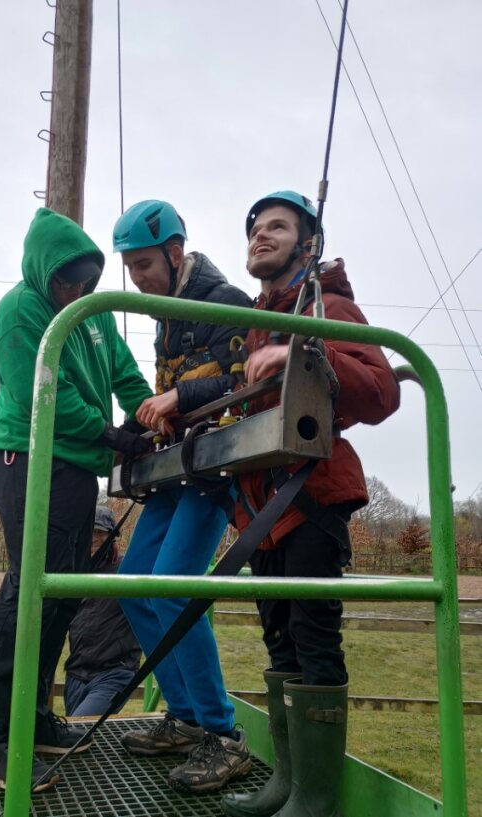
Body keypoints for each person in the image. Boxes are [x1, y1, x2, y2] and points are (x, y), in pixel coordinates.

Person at [221, 191, 401, 817]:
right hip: (260, 506)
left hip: (312, 492)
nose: (260, 237)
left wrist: (307, 350)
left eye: (276, 227)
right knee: (279, 641)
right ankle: (288, 785)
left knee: (313, 635)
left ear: (307, 244)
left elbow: (380, 392)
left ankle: (316, 799)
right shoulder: (254, 320)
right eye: (253, 230)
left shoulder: (329, 306)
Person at [0, 207, 154, 793]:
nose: (75, 290)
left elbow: (123, 371)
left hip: (74, 468)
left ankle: (35, 715)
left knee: (61, 594)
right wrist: (109, 433)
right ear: (43, 270)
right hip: (28, 459)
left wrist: (147, 415)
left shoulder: (90, 318)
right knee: (30, 587)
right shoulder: (21, 312)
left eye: (86, 281)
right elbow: (38, 392)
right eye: (66, 279)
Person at [110, 199, 254, 794]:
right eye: (131, 269)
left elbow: (250, 382)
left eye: (144, 265)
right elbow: (173, 391)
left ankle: (223, 734)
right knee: (135, 587)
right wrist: (150, 426)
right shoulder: (166, 320)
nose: (138, 280)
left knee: (173, 587)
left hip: (216, 466)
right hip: (177, 467)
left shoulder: (228, 304)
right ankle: (187, 717)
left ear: (175, 253)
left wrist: (180, 401)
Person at [63, 505, 141, 716]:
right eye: (89, 532)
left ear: (111, 537)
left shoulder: (126, 569)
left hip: (115, 671)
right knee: (74, 736)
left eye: (100, 532)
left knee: (79, 730)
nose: (94, 538)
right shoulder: (71, 571)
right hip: (77, 671)